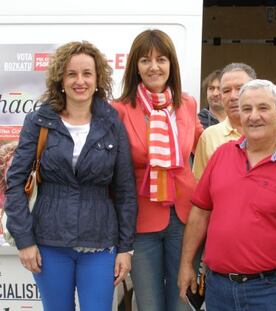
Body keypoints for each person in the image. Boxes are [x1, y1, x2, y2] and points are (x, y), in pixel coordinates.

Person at [4, 41, 137, 311]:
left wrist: (125, 248)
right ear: (60, 80)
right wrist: (25, 241)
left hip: (99, 244)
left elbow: (125, 191)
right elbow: (15, 183)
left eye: (87, 73)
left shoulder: (112, 122)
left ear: (98, 79)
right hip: (48, 243)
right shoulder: (39, 121)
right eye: (71, 74)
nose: (80, 81)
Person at [178, 79, 276, 310]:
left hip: (271, 291)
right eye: (246, 109)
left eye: (263, 108)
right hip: (218, 289)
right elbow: (200, 212)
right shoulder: (222, 155)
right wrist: (186, 264)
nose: (253, 116)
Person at [113, 29, 203, 311]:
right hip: (141, 222)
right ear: (135, 67)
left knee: (182, 302)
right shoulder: (120, 109)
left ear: (171, 64)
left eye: (161, 59)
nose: (154, 67)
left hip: (185, 219)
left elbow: (206, 144)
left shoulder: (186, 104)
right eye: (145, 60)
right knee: (149, 305)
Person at [192, 62, 276, 180]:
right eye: (226, 90)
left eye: (240, 88)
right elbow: (200, 185)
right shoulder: (209, 137)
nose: (233, 96)